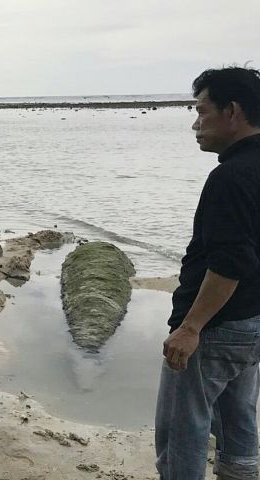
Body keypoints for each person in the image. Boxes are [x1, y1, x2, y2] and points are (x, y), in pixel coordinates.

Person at [155, 67, 260, 480]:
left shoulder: (230, 177)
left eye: (202, 111)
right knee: (239, 423)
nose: (196, 123)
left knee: (183, 432)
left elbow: (231, 262)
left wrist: (190, 327)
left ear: (232, 111)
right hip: (251, 324)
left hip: (215, 329)